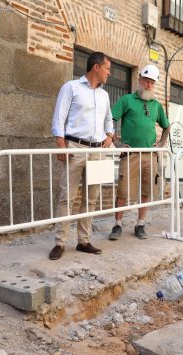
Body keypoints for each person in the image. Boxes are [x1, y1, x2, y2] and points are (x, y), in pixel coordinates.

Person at [48, 51, 114, 260]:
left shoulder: (104, 95)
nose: (109, 74)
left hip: (97, 151)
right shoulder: (71, 88)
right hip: (75, 148)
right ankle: (60, 242)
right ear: (96, 67)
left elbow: (108, 120)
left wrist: (110, 136)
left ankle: (83, 241)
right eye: (107, 69)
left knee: (92, 197)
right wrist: (61, 144)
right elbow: (59, 116)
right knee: (67, 195)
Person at [108, 65, 170, 240]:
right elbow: (110, 119)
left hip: (150, 155)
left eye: (152, 82)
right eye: (146, 81)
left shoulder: (156, 105)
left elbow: (167, 126)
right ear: (139, 80)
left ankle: (140, 224)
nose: (148, 85)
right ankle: (118, 224)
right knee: (123, 191)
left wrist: (161, 143)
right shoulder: (127, 100)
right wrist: (116, 142)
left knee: (146, 192)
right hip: (130, 154)